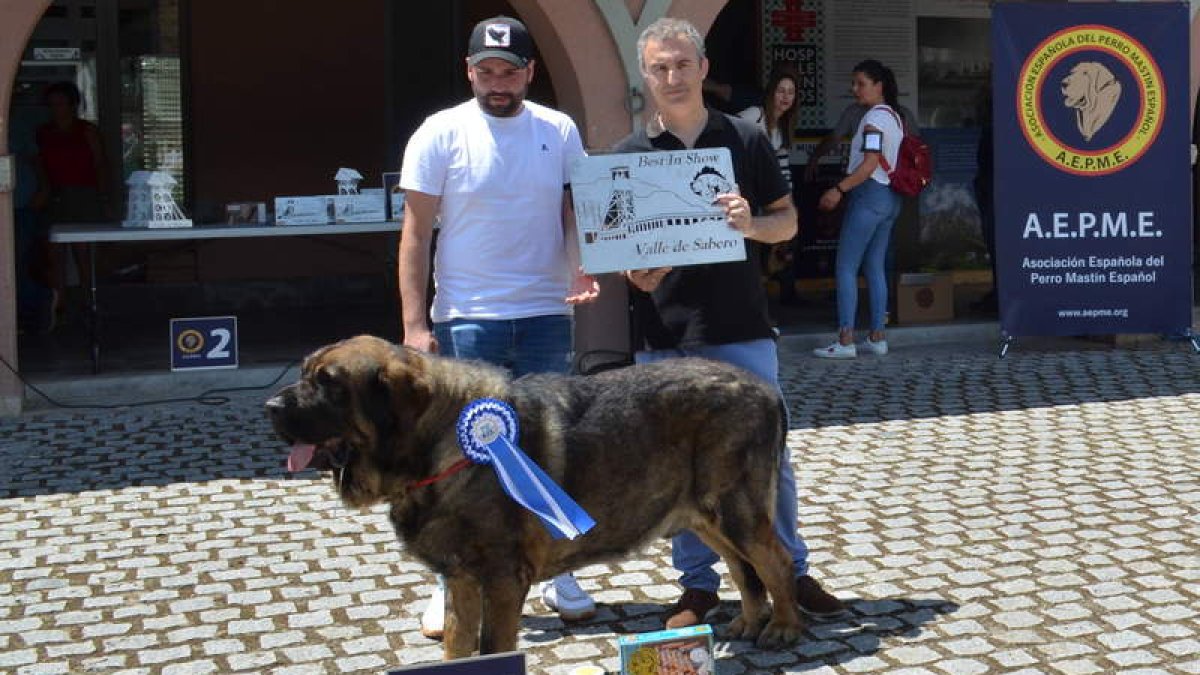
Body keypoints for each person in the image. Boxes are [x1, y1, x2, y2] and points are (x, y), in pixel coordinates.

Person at [614, 17, 847, 629]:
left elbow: (788, 224)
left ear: (703, 68)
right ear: (645, 75)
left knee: (770, 459)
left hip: (741, 326)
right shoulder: (626, 159)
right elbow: (619, 255)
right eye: (660, 67)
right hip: (663, 335)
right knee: (675, 468)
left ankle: (790, 571)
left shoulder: (744, 140)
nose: (672, 76)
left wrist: (752, 226)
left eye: (682, 64)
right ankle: (698, 586)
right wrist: (633, 276)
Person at [397, 15, 601, 640]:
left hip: (545, 312)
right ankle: (447, 583)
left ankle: (557, 566)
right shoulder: (439, 133)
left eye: (509, 72)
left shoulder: (559, 129)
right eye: (486, 72)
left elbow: (576, 209)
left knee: (551, 446)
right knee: (458, 460)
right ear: (468, 71)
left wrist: (582, 267)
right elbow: (415, 232)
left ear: (530, 72)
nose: (498, 84)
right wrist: (412, 325)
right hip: (466, 317)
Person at [813, 60, 904, 359]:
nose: (855, 89)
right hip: (890, 198)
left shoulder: (873, 120)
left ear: (879, 86)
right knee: (875, 266)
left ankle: (845, 339)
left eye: (860, 83)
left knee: (846, 267)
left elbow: (869, 164)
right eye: (854, 83)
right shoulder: (895, 117)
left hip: (869, 195)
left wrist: (839, 189)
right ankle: (877, 337)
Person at [34, 81, 112, 320]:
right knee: (54, 253)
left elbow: (100, 164)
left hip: (84, 194)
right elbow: (38, 165)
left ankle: (91, 302)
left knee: (84, 252)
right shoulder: (43, 132)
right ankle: (58, 304)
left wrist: (104, 197)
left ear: (73, 105)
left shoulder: (86, 130)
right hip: (55, 195)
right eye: (52, 104)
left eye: (61, 103)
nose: (56, 108)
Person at [738, 70, 800, 305]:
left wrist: (790, 204)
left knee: (773, 257)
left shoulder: (782, 126)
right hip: (749, 200)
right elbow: (726, 137)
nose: (786, 97)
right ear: (771, 92)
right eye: (781, 91)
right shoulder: (754, 116)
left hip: (770, 203)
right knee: (754, 258)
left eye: (791, 92)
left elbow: (783, 172)